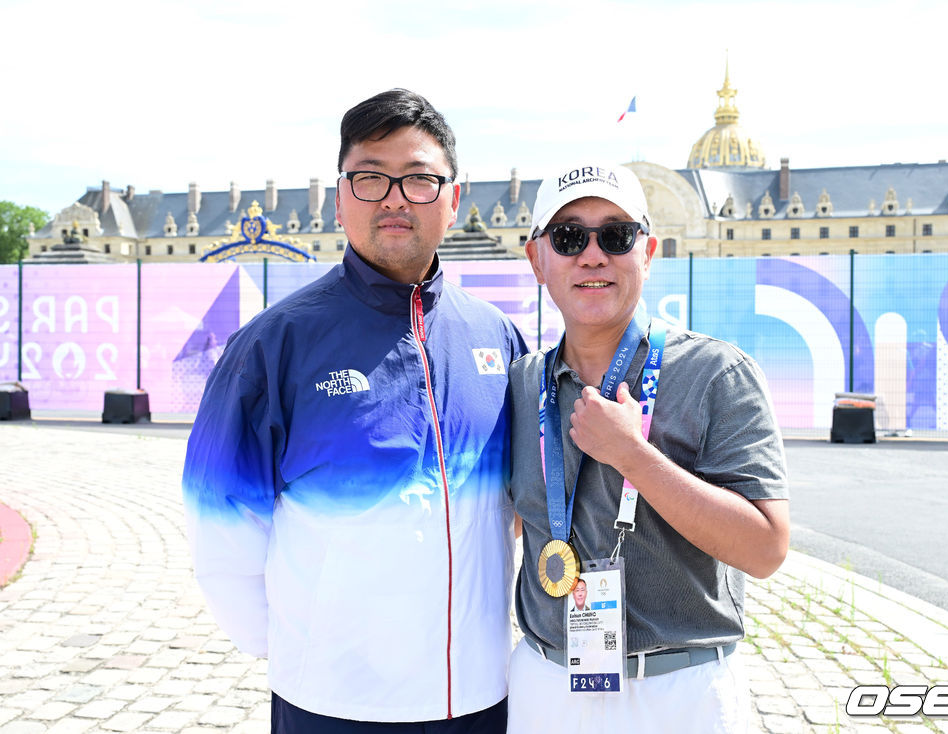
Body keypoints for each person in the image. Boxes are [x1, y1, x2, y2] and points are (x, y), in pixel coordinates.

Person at [182, 89, 526, 733]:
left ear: (455, 200)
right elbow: (219, 527)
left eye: (420, 179)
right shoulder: (272, 346)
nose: (395, 197)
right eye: (370, 178)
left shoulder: (498, 339)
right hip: (334, 702)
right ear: (339, 198)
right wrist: (302, 650)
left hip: (479, 693)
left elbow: (514, 507)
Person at [507, 163, 789, 732]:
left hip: (677, 692)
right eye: (568, 237)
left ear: (647, 251)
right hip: (547, 681)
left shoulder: (716, 373)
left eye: (616, 236)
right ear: (538, 259)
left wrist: (634, 456)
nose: (592, 256)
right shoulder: (520, 384)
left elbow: (766, 550)